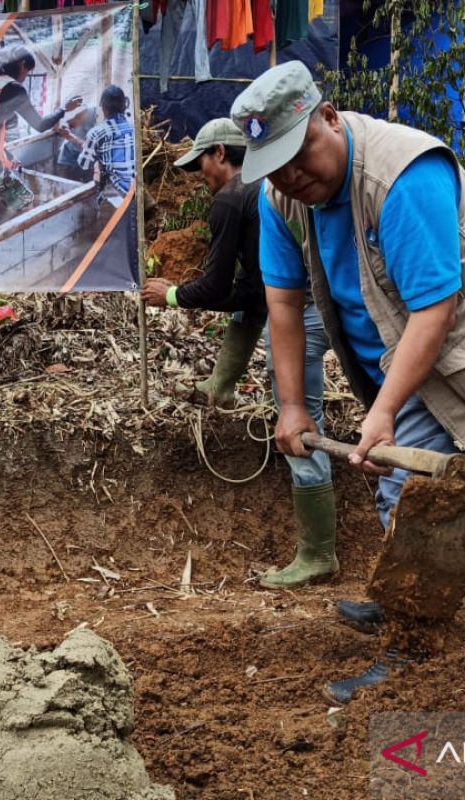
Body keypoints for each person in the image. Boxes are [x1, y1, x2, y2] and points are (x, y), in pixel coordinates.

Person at [230, 61, 465, 701]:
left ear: (328, 116)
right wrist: (293, 405)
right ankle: (408, 596)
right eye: (276, 166)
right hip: (390, 350)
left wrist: (384, 413)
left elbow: (435, 310)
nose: (293, 176)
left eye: (300, 155)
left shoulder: (402, 175)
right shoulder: (282, 199)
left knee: (409, 488)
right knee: (399, 491)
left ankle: (416, 646)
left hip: (463, 349)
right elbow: (284, 303)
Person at [141, 118, 338, 589]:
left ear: (222, 156)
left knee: (301, 418)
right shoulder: (264, 189)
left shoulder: (232, 198)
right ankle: (220, 386)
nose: (199, 175)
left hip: (304, 314)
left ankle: (317, 555)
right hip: (328, 300)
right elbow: (251, 296)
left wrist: (170, 296)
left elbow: (216, 286)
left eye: (201, 163)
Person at [0, 45, 82, 229]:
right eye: (27, 71)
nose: (25, 77)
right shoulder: (13, 89)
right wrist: (64, 109)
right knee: (25, 201)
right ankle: (17, 244)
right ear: (21, 64)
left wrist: (8, 159)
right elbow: (40, 124)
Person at [59, 85, 135, 197]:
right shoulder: (134, 128)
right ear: (124, 106)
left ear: (104, 108)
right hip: (136, 187)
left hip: (119, 192)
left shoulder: (97, 132)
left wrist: (76, 140)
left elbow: (84, 164)